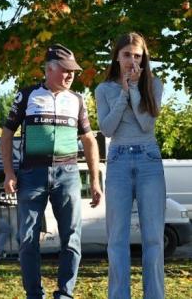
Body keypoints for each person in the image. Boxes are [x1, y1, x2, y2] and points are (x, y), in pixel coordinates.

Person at [0, 44, 102, 299]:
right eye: (66, 71)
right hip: (31, 174)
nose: (70, 76)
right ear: (49, 68)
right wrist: (9, 173)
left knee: (72, 237)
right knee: (28, 239)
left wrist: (96, 180)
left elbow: (89, 139)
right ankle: (34, 294)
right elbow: (6, 134)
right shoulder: (27, 95)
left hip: (67, 174)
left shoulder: (77, 99)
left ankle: (65, 294)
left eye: (73, 72)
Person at [95, 32, 164, 299]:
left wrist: (135, 89)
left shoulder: (154, 85)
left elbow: (147, 124)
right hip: (118, 160)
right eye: (127, 55)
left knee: (154, 239)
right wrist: (124, 93)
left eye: (137, 56)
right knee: (117, 240)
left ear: (144, 59)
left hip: (148, 160)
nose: (131, 61)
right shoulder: (103, 89)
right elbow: (108, 129)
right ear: (117, 56)